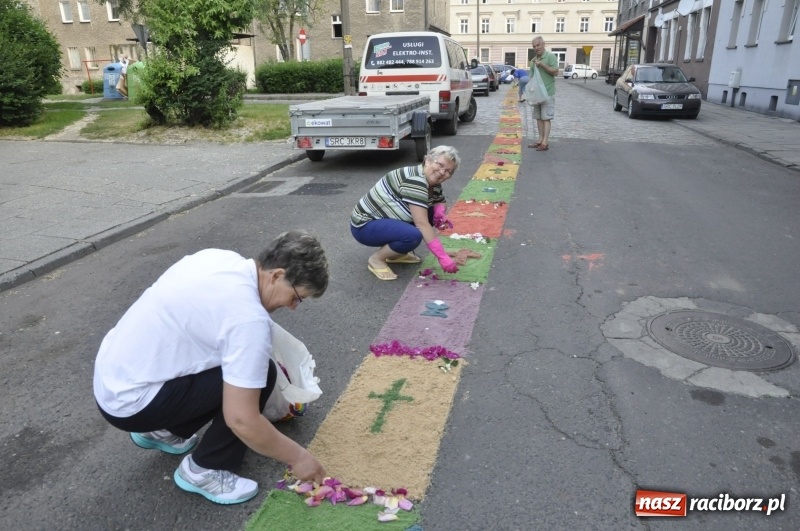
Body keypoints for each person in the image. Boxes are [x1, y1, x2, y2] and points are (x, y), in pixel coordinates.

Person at [93, 230, 329, 505]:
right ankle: (205, 469)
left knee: (239, 371)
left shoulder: (218, 258)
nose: (293, 307)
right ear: (276, 275)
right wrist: (299, 458)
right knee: (263, 374)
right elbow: (242, 419)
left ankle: (164, 431)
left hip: (113, 381)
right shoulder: (249, 320)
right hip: (133, 404)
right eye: (297, 297)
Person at [350, 145, 461, 281]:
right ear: (427, 160)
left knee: (430, 213)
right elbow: (421, 224)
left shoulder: (431, 181)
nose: (442, 172)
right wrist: (442, 256)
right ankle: (376, 259)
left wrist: (439, 212)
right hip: (364, 226)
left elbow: (440, 200)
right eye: (440, 165)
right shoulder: (416, 181)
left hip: (382, 220)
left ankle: (396, 253)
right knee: (412, 236)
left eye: (448, 171)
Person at [527, 36, 558, 151]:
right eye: (534, 46)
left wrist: (543, 65)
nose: (536, 48)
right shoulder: (533, 61)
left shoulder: (550, 56)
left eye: (538, 45)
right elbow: (531, 76)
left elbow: (555, 72)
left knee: (546, 118)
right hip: (537, 94)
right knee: (538, 118)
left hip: (548, 92)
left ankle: (545, 142)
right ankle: (540, 140)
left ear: (543, 44)